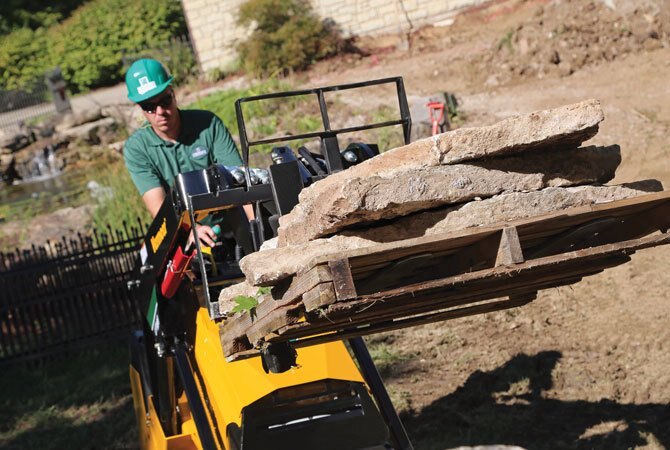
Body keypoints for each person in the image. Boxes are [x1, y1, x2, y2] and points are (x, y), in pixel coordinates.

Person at [123, 58, 250, 248]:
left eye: (165, 101)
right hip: (185, 236)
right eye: (149, 107)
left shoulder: (208, 124)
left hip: (231, 224)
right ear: (140, 108)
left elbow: (240, 181)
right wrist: (192, 230)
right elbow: (158, 207)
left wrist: (257, 229)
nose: (160, 112)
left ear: (173, 93)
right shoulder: (136, 149)